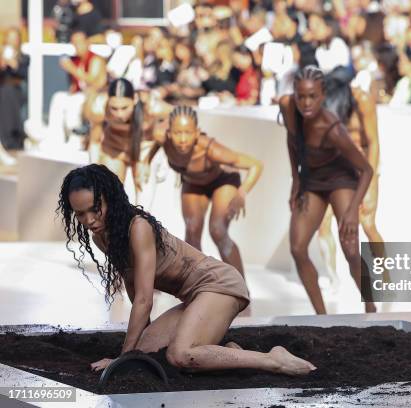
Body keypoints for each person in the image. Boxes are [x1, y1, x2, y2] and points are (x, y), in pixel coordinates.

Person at [57, 164, 315, 375]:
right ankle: (229, 350)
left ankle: (272, 359)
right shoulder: (102, 238)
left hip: (219, 284)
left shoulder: (138, 228)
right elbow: (134, 289)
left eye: (95, 208)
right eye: (80, 214)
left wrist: (120, 360)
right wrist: (136, 350)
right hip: (195, 298)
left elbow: (146, 300)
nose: (90, 220)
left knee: (180, 355)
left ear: (110, 198)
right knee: (147, 353)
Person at [279, 65, 375, 314]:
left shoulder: (332, 128)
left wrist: (353, 210)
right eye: (301, 96)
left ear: (323, 96)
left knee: (351, 249)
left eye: (313, 96)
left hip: (341, 178)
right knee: (298, 248)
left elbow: (366, 170)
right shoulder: (287, 105)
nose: (306, 103)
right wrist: (295, 179)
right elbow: (292, 139)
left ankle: (371, 306)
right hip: (312, 179)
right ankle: (321, 316)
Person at [149, 105, 263, 278]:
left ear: (197, 133)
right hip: (193, 183)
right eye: (177, 133)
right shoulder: (160, 136)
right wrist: (144, 162)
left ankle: (241, 291)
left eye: (188, 132)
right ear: (169, 133)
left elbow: (255, 164)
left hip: (223, 180)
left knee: (218, 230)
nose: (182, 139)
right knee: (192, 229)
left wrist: (242, 193)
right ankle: (199, 286)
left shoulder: (212, 150)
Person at [317, 66, 387, 290]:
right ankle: (333, 278)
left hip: (364, 165)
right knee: (323, 223)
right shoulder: (326, 103)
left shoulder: (362, 101)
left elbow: (374, 142)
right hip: (336, 165)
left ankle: (385, 277)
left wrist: (371, 178)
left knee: (367, 224)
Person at [86, 78, 172, 206]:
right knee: (109, 198)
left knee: (143, 207)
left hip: (144, 149)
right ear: (108, 101)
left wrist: (156, 158)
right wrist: (92, 170)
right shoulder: (99, 106)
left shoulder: (152, 106)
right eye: (114, 108)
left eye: (124, 107)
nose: (119, 114)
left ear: (135, 99)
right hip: (114, 148)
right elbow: (94, 141)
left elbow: (177, 118)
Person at [0, 27, 29, 151]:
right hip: (3, 88)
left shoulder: (23, 57)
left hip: (15, 89)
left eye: (14, 39)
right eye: (9, 38)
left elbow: (22, 74)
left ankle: (11, 138)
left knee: (7, 93)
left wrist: (13, 64)